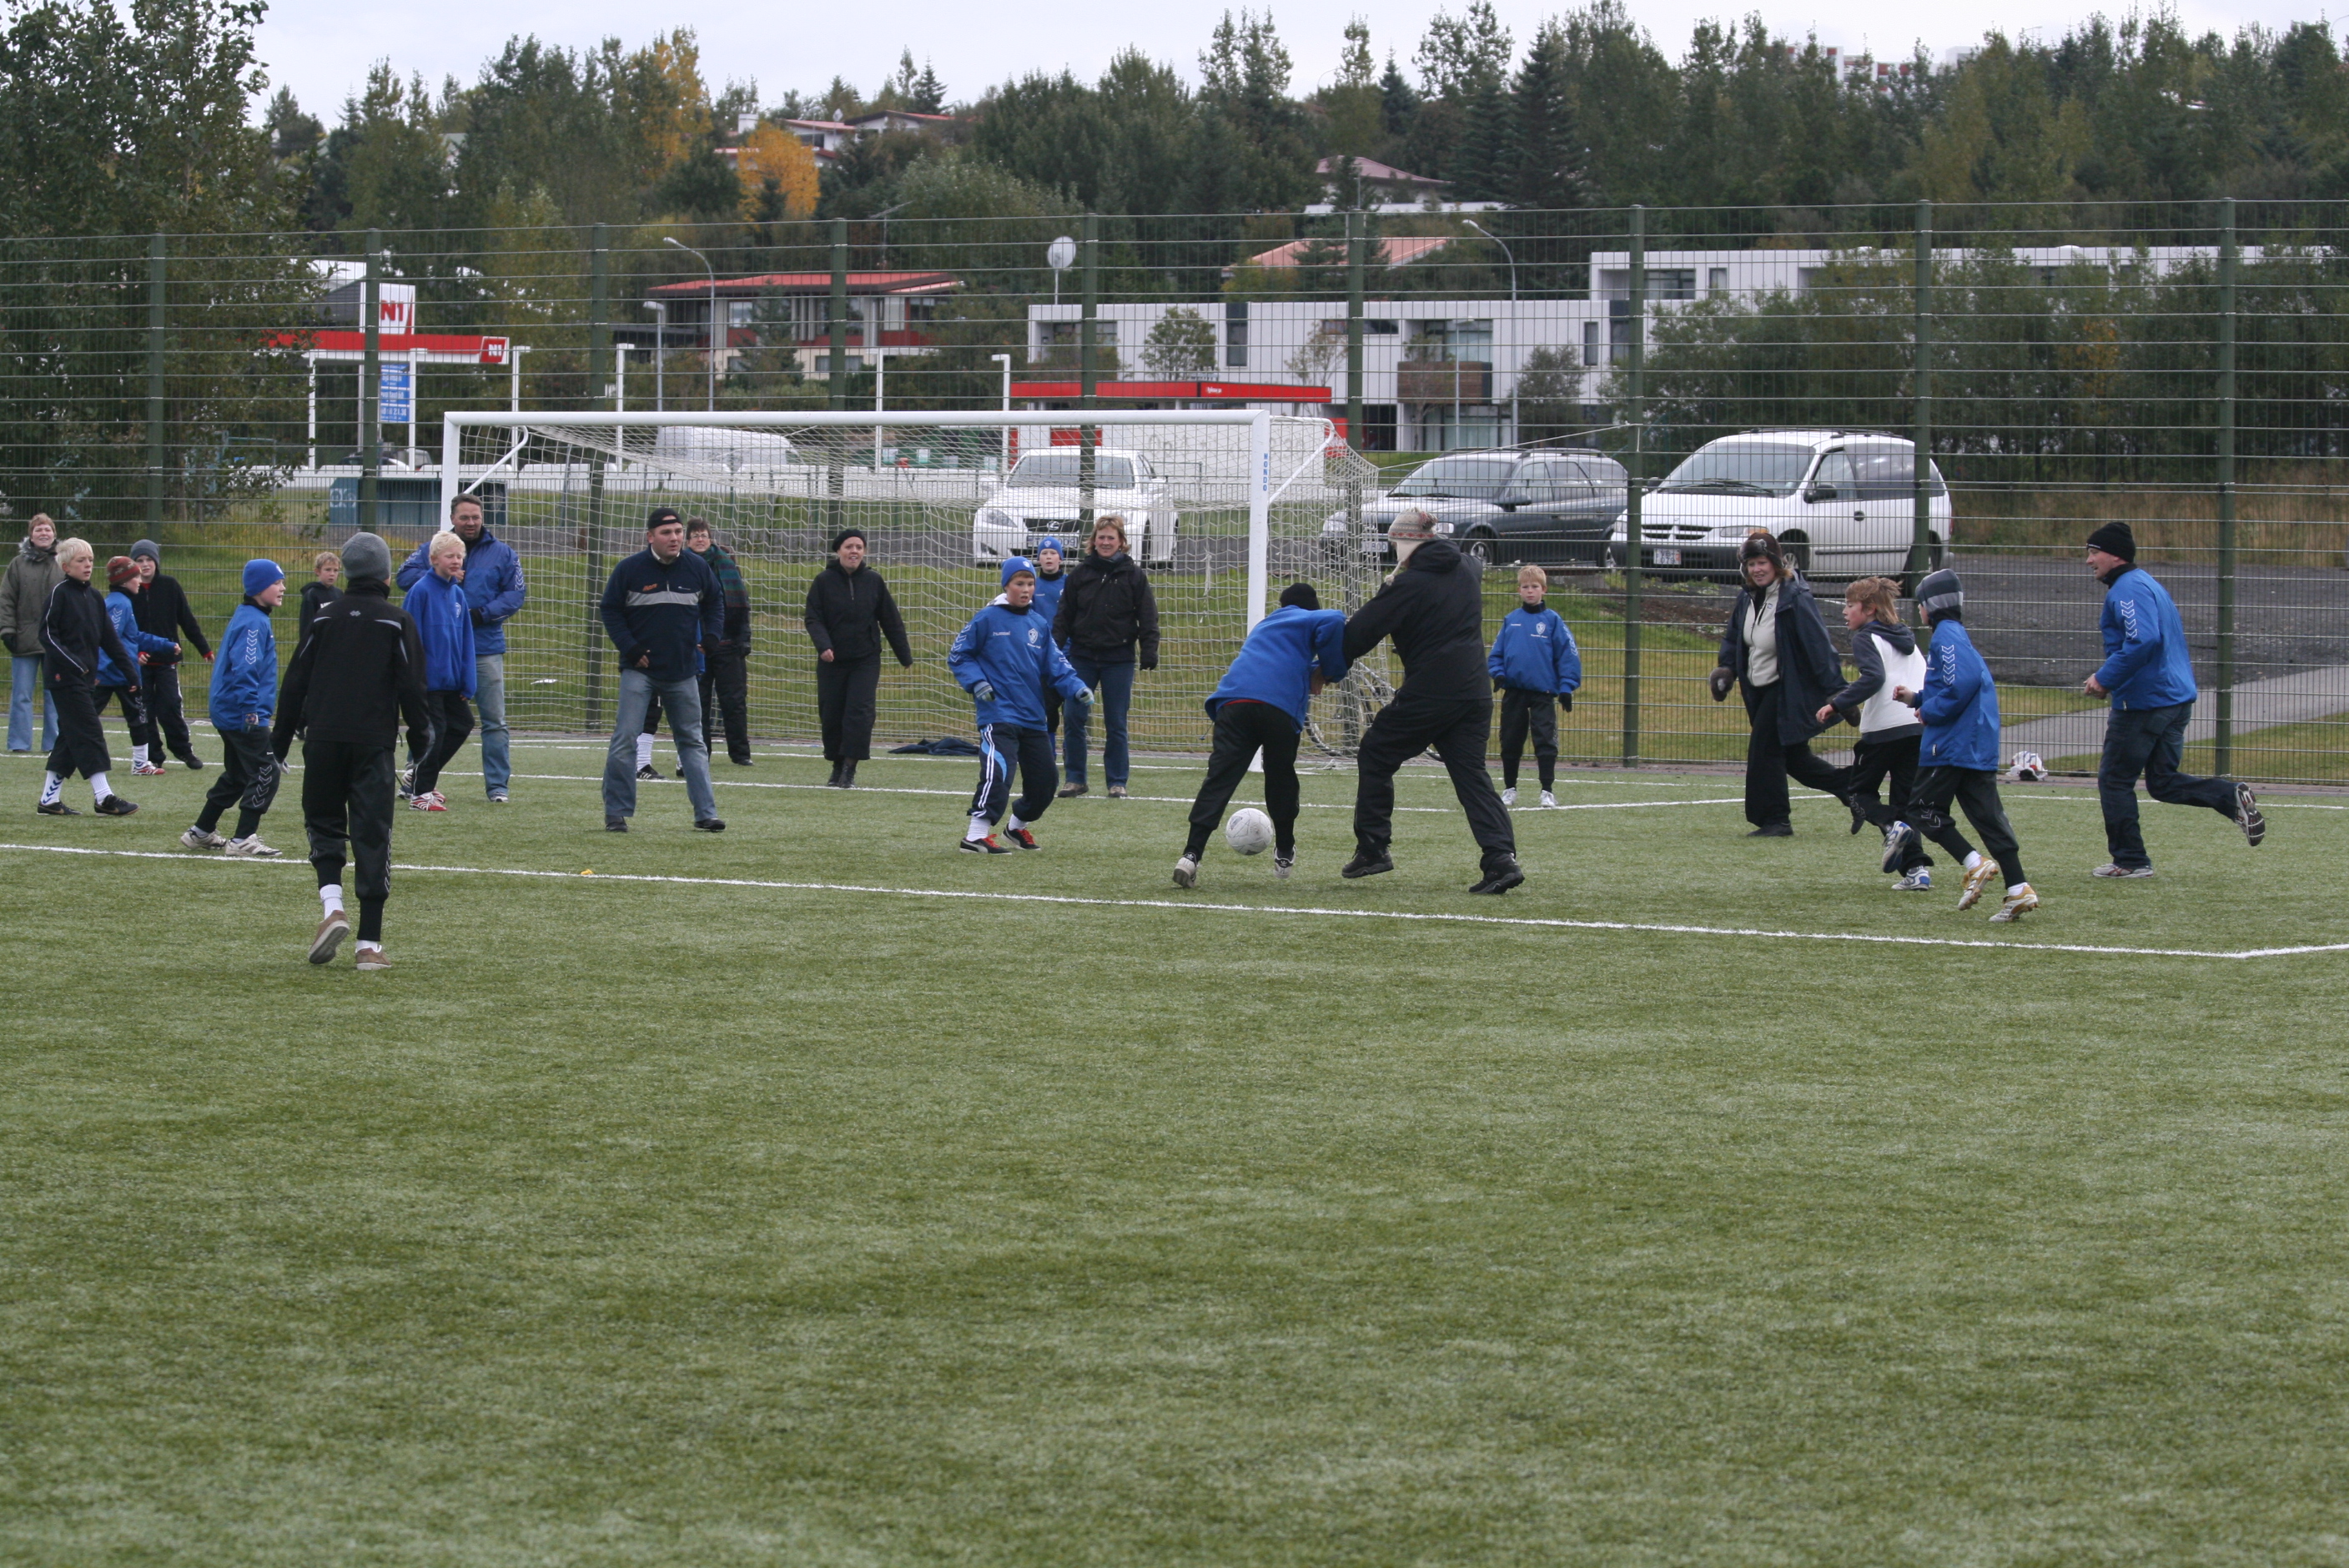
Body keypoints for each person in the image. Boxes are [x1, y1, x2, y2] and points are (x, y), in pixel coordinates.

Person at [1340, 510, 1522, 894]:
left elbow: (1358, 635)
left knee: (1376, 752)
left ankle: (1373, 848)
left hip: (1432, 690)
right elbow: (1464, 568)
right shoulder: (1469, 568)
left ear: (1404, 544)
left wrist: (1325, 662)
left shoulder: (1407, 585)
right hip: (1474, 691)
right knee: (1471, 775)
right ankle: (1501, 859)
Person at [273, 531, 431, 971]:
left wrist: (279, 741)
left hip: (323, 738)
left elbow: (295, 681)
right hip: (372, 743)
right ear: (385, 575)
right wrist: (421, 741)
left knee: (323, 823)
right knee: (372, 834)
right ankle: (368, 945)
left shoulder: (324, 618)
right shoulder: (396, 621)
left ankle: (332, 908)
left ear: (345, 571)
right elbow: (413, 686)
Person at [2080, 520, 2263, 877]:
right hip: (2175, 699)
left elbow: (2143, 640)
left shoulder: (2127, 589)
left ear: (2115, 555)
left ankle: (2130, 861)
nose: (2088, 561)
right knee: (2162, 782)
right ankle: (2229, 796)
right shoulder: (2147, 583)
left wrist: (2105, 678)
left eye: (2093, 553)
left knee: (2115, 780)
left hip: (2145, 704)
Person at [1172, 582, 1348, 888]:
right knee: (1280, 776)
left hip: (1233, 703)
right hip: (1277, 706)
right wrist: (1331, 670)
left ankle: (1190, 854)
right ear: (1311, 607)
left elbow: (1277, 662)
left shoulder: (1266, 625)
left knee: (1219, 779)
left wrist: (1312, 667)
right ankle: (1284, 849)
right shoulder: (1309, 617)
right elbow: (1334, 619)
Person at [1890, 568, 2039, 922]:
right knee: (1988, 820)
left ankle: (1975, 864)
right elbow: (1956, 684)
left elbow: (1963, 683)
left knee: (1922, 809)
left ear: (1930, 606)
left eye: (1920, 604)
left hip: (1953, 744)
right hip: (1974, 744)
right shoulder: (1956, 634)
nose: (1919, 610)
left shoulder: (1945, 635)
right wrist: (1917, 699)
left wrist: (1929, 710)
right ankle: (2018, 888)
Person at [948, 557, 1090, 853]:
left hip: (1033, 716)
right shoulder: (987, 618)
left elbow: (1056, 665)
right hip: (998, 714)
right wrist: (978, 683)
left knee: (1045, 782)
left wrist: (1077, 687)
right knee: (999, 773)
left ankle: (1015, 828)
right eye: (1019, 583)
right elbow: (959, 655)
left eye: (1030, 584)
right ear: (1006, 585)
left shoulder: (1038, 624)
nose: (1026, 589)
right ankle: (975, 836)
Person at [1711, 530, 1848, 837]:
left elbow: (1818, 645)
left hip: (1787, 689)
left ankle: (1776, 819)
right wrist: (1726, 668)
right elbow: (1734, 637)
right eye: (1751, 564)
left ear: (1776, 563)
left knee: (1764, 751)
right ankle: (1852, 788)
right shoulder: (1746, 597)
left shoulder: (1794, 598)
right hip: (1757, 688)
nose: (1757, 569)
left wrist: (1838, 691)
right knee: (1795, 758)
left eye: (1762, 562)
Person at [598, 506, 724, 833]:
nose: (675, 538)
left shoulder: (697, 567)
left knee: (693, 741)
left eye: (679, 532)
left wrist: (712, 635)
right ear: (650, 537)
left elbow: (715, 602)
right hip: (639, 670)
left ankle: (706, 814)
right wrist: (630, 647)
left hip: (682, 671)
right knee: (625, 738)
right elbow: (610, 610)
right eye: (667, 533)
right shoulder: (629, 569)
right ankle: (616, 812)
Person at [396, 494, 525, 802]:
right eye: (464, 517)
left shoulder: (503, 553)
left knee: (493, 721)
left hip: (484, 646)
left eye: (475, 517)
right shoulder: (433, 549)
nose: (470, 522)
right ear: (453, 518)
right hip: (439, 655)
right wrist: (443, 574)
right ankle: (416, 778)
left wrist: (481, 614)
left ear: (483, 518)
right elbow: (404, 576)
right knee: (431, 723)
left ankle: (497, 786)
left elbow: (515, 594)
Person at [1814, 576, 1935, 891]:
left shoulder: (1866, 637)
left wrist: (1836, 704)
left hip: (1884, 729)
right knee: (1905, 801)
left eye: (1850, 605)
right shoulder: (1907, 639)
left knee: (1858, 793)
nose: (1845, 611)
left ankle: (1890, 825)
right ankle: (1917, 872)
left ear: (1868, 609)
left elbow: (1873, 678)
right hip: (1916, 726)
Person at [182, 560, 286, 857]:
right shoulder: (254, 622)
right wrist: (251, 710)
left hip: (231, 710)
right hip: (241, 712)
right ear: (258, 588)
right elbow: (245, 668)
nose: (283, 588)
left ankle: (201, 831)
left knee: (239, 774)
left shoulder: (251, 616)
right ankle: (243, 839)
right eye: (276, 582)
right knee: (266, 770)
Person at [1053, 516, 1159, 799]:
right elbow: (1064, 616)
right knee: (1074, 717)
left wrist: (1149, 649)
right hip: (1082, 657)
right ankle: (1075, 779)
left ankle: (1117, 781)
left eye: (1111, 537)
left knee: (1116, 722)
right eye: (1101, 537)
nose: (1106, 542)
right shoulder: (1079, 574)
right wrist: (1053, 651)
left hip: (1119, 659)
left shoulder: (1134, 575)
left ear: (1121, 541)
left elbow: (1147, 615)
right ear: (1093, 541)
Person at [35, 537, 139, 817]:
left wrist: (131, 673)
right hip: (64, 678)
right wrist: (75, 664)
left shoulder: (94, 597)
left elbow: (110, 640)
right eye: (81, 561)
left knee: (70, 737)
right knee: (89, 731)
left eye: (90, 560)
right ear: (66, 566)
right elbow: (48, 635)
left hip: (85, 678)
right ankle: (104, 797)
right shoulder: (59, 594)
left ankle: (48, 800)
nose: (88, 565)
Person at [804, 525, 913, 788]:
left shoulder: (874, 581)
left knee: (860, 713)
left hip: (866, 659)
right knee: (832, 714)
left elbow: (891, 620)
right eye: (849, 547)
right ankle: (836, 764)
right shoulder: (823, 581)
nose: (854, 551)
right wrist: (824, 646)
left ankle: (850, 769)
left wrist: (904, 656)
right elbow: (813, 618)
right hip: (832, 661)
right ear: (839, 551)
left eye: (859, 547)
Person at [1488, 564, 1582, 809]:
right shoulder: (1511, 620)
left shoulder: (1553, 621)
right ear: (1519, 590)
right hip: (1515, 693)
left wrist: (1566, 687)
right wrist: (1499, 674)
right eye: (1525, 587)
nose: (1530, 591)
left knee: (1545, 741)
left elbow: (1568, 656)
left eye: (1535, 587)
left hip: (1543, 693)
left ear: (1544, 590)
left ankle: (1547, 791)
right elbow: (1496, 654)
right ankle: (1509, 789)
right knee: (1510, 741)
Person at [400, 531, 476, 812]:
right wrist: (415, 679)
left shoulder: (458, 595)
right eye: (449, 556)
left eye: (459, 556)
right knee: (437, 732)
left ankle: (419, 775)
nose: (456, 561)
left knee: (462, 725)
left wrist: (467, 681)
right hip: (428, 683)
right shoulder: (420, 591)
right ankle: (421, 795)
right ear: (434, 559)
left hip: (452, 683)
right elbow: (410, 639)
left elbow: (466, 639)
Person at [128, 540, 211, 770]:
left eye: (149, 559)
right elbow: (125, 631)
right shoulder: (129, 591)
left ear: (156, 562)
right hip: (140, 664)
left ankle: (184, 750)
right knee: (144, 709)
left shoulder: (169, 586)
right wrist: (136, 652)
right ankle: (153, 755)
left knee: (170, 706)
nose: (145, 564)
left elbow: (186, 619)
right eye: (139, 560)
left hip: (166, 661)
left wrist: (204, 648)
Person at [94, 557, 177, 776]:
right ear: (124, 580)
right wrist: (100, 671)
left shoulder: (122, 602)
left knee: (137, 717)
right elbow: (108, 640)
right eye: (136, 576)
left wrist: (165, 645)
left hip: (120, 673)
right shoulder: (119, 604)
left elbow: (133, 636)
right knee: (135, 718)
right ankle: (67, 755)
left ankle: (141, 763)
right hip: (115, 674)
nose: (140, 581)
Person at [687, 517, 754, 766]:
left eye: (704, 535)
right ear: (688, 541)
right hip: (696, 646)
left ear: (710, 538)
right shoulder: (681, 566)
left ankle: (740, 753)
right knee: (698, 703)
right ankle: (700, 752)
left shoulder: (727, 563)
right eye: (695, 535)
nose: (700, 539)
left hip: (728, 644)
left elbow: (741, 606)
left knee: (734, 700)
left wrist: (743, 638)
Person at [2, 513, 62, 754]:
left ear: (54, 534)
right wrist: (7, 630)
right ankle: (19, 743)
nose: (43, 533)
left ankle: (54, 743)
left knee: (54, 694)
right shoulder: (17, 565)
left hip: (56, 641)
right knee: (21, 695)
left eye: (47, 529)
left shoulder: (64, 563)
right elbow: (6, 599)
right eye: (39, 530)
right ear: (31, 535)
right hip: (24, 639)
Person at [1033, 536, 1070, 746]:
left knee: (1073, 709)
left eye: (1053, 553)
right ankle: (1049, 750)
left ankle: (1072, 753)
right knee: (1047, 707)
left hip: (1069, 654)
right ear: (1039, 559)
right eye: (1044, 553)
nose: (1048, 557)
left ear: (1060, 558)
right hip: (1043, 656)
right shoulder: (1032, 585)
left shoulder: (1070, 584)